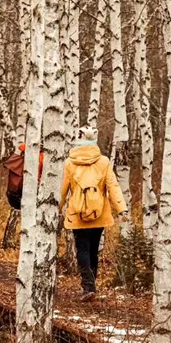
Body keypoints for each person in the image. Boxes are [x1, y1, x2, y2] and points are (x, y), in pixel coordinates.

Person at [59, 126, 128, 301]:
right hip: (99, 214)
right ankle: (92, 286)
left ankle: (88, 286)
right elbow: (113, 186)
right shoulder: (104, 162)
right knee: (93, 250)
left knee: (81, 249)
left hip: (77, 213)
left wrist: (55, 210)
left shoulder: (69, 163)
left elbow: (62, 190)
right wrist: (121, 208)